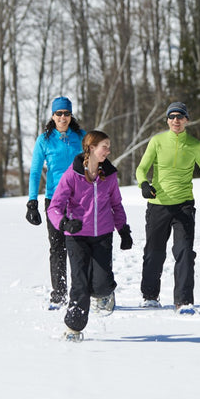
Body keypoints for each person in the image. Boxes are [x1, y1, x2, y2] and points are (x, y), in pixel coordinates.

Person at [135, 101, 200, 313]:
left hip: (183, 205)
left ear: (186, 120)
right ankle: (150, 296)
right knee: (154, 252)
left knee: (184, 251)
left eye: (180, 116)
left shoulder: (195, 145)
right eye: (172, 117)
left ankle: (183, 301)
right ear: (167, 120)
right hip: (158, 204)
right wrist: (144, 184)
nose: (176, 120)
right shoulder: (157, 141)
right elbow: (141, 168)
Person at [47, 130, 133, 341]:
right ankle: (73, 329)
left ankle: (105, 293)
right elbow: (54, 207)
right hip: (77, 237)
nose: (108, 150)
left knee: (101, 284)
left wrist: (123, 230)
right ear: (92, 148)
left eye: (108, 146)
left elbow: (116, 204)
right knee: (80, 283)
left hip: (103, 234)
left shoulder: (110, 175)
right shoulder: (72, 175)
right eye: (104, 146)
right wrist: (64, 223)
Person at [26, 97, 85, 309]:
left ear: (71, 116)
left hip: (80, 198)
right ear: (52, 116)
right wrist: (32, 201)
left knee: (79, 247)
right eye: (58, 114)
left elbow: (96, 163)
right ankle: (59, 294)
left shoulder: (81, 137)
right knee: (57, 247)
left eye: (66, 114)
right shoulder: (44, 140)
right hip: (54, 200)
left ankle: (81, 292)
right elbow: (34, 172)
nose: (62, 117)